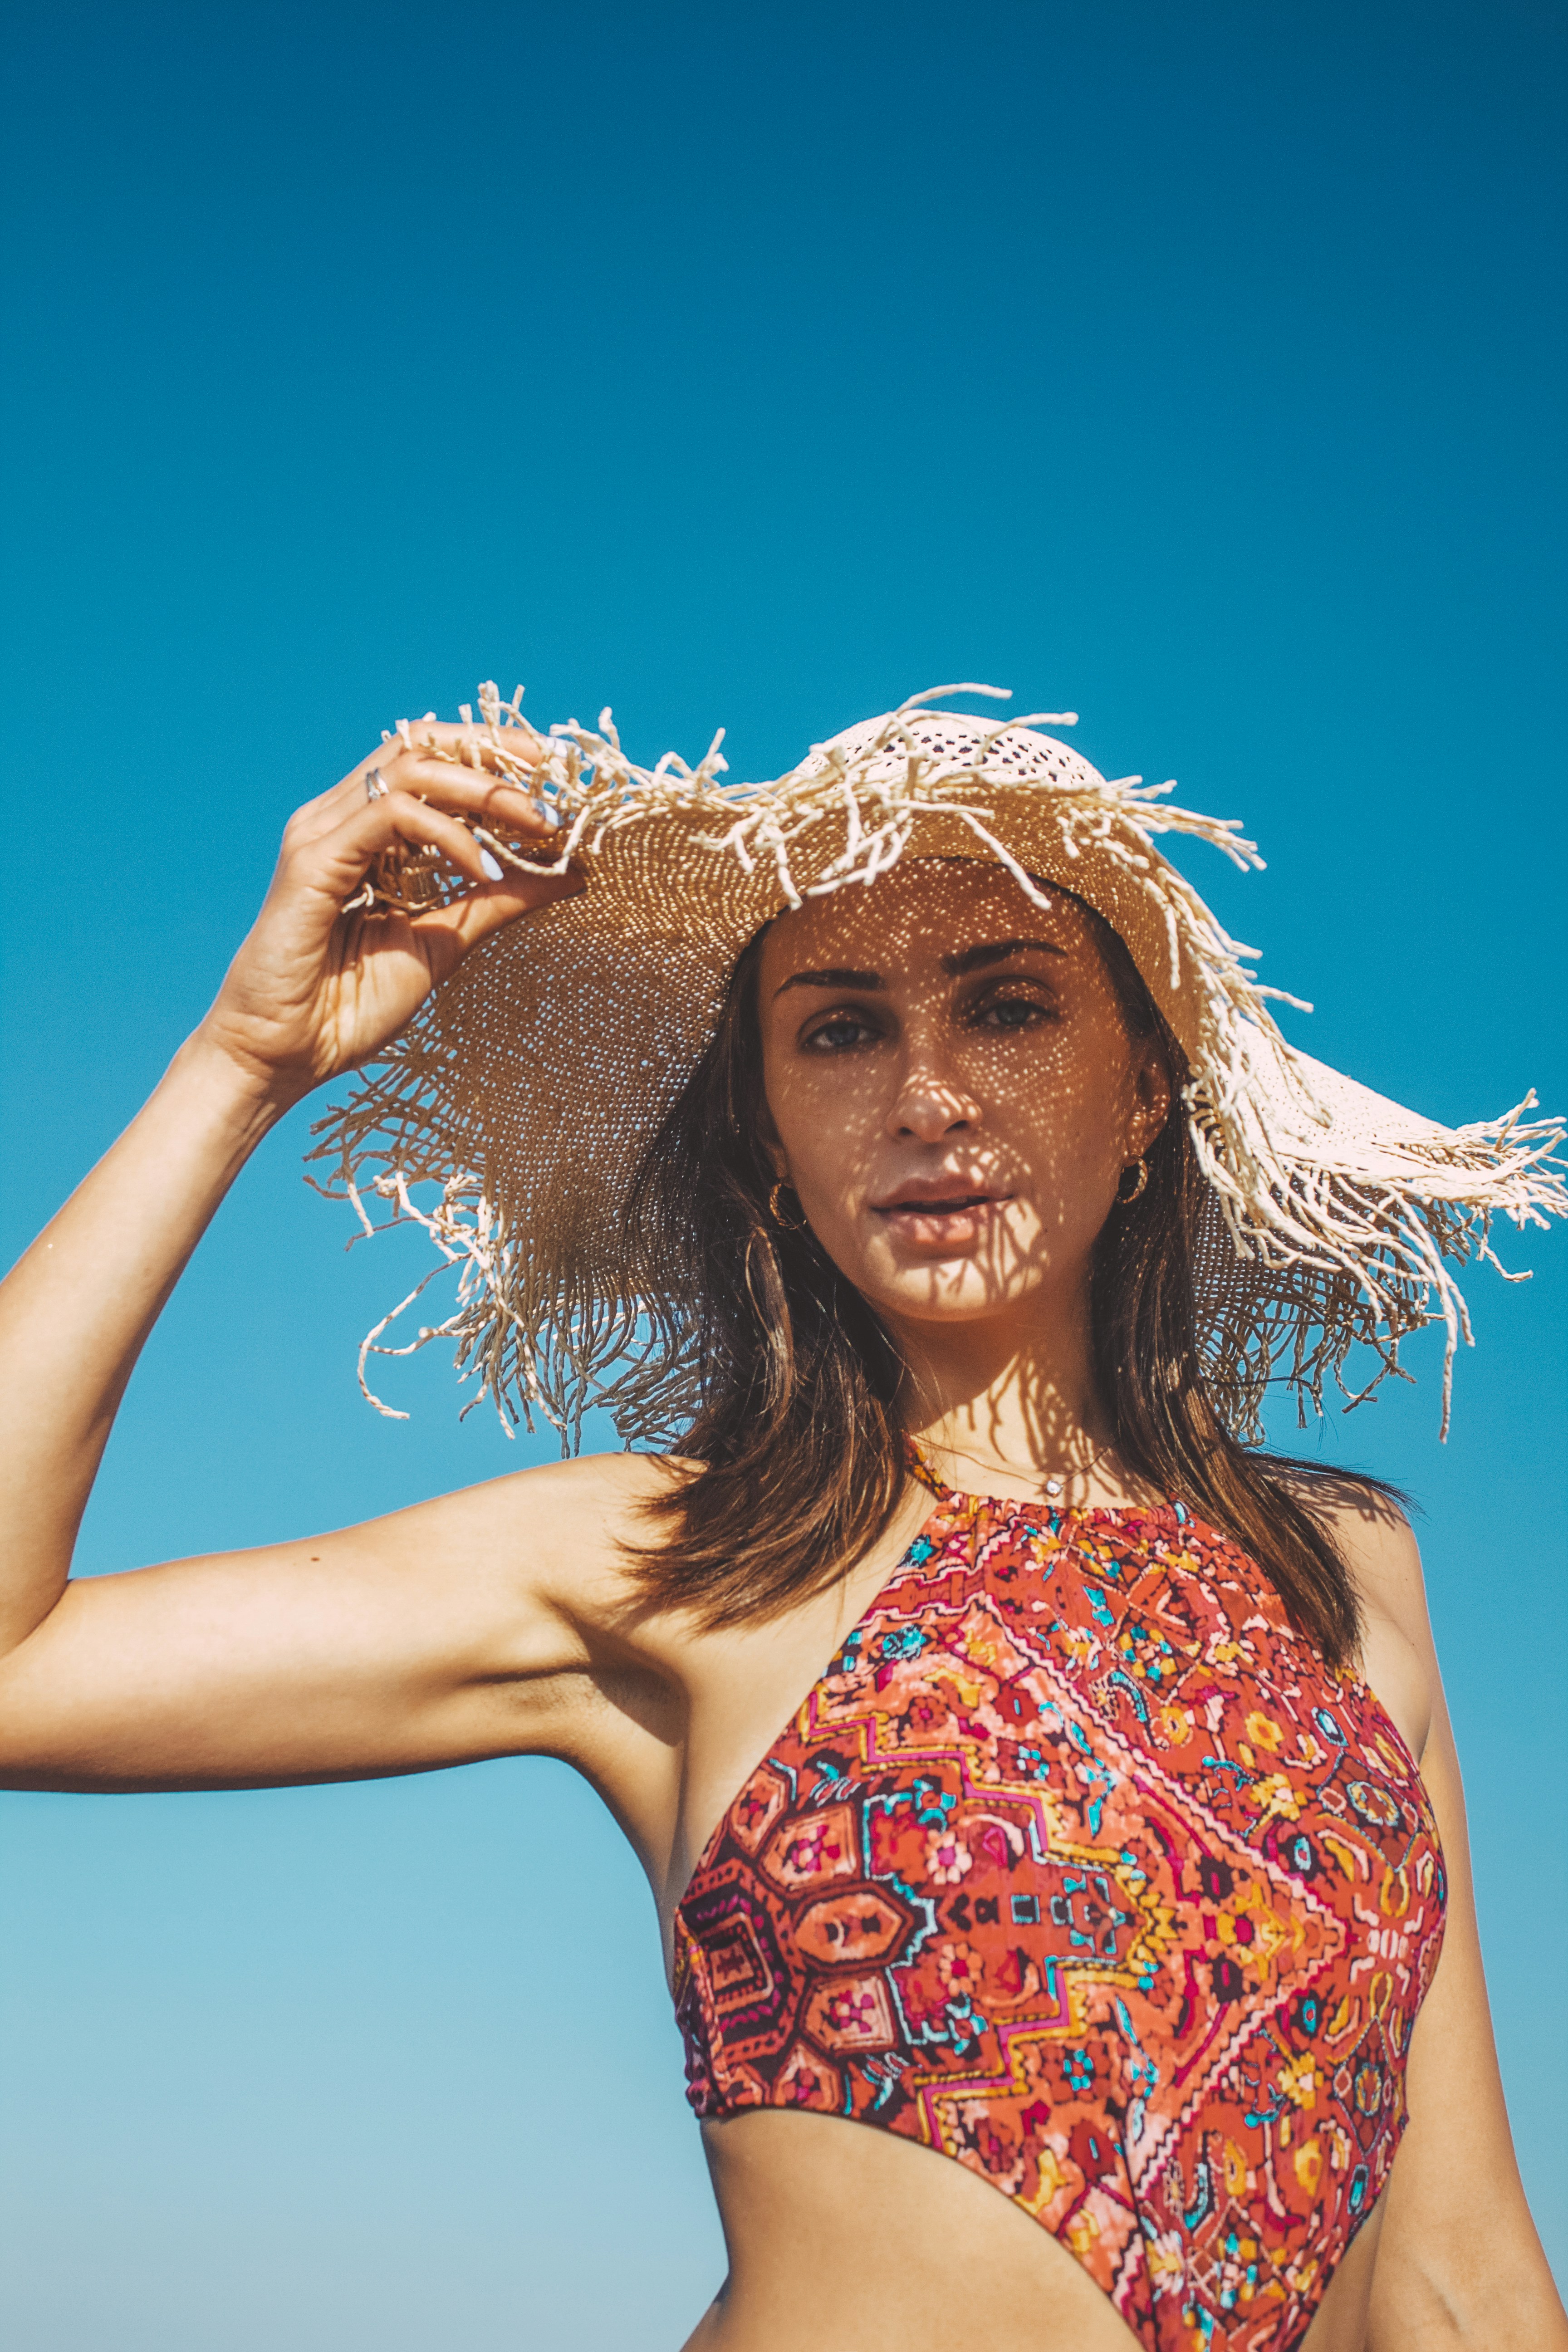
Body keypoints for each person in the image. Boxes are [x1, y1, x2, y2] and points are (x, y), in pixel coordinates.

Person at [0, 688, 1562, 2352]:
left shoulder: (1337, 1569)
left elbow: (1461, 2282)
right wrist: (246, 1065)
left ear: (1145, 1097)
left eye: (1011, 1008)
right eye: (840, 1031)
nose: (927, 1096)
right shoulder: (679, 1559)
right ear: (767, 1141)